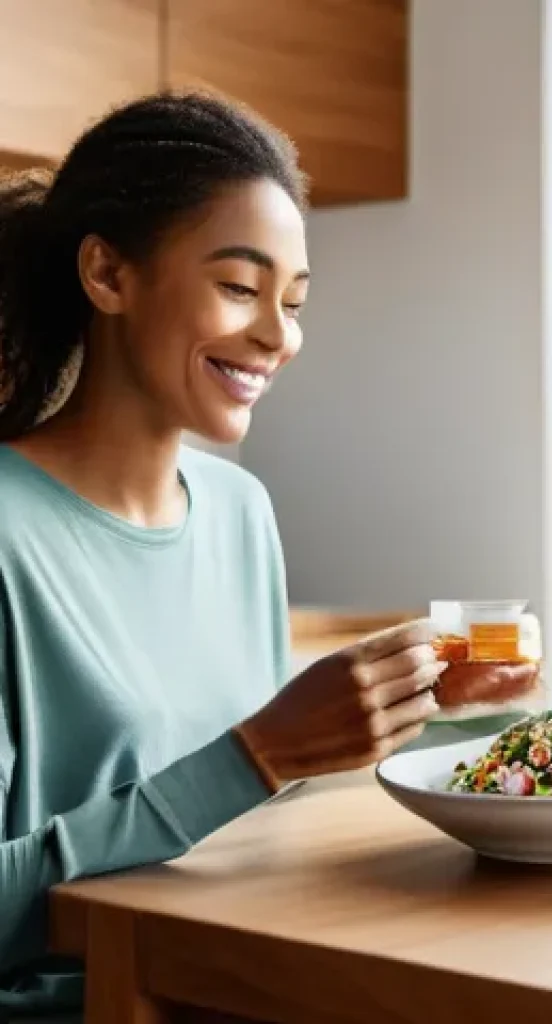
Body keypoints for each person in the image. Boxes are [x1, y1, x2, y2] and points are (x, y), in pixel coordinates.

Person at [0, 91, 443, 1020]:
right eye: (241, 288)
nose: (280, 336)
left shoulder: (241, 513)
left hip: (234, 990)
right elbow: (236, 771)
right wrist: (262, 753)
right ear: (107, 274)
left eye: (293, 302)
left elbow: (241, 824)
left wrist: (417, 705)